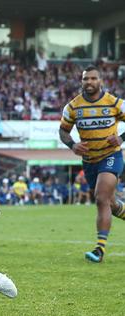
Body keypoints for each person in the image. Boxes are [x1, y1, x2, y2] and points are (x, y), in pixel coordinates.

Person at [59, 65, 125, 263]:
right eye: (86, 79)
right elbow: (63, 131)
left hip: (111, 156)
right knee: (110, 203)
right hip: (89, 162)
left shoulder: (114, 103)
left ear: (100, 81)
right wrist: (72, 145)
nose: (89, 82)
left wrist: (121, 138)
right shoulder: (73, 106)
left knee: (100, 197)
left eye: (93, 78)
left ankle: (100, 249)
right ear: (82, 81)